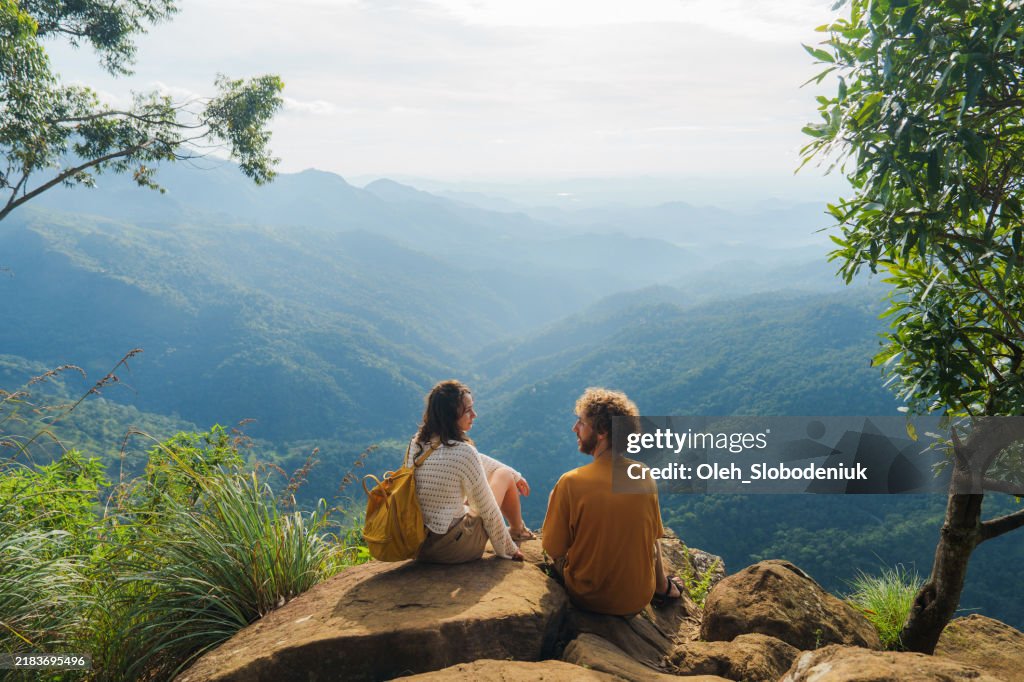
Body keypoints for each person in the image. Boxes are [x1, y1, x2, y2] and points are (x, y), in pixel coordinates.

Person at [542, 387, 684, 615]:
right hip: (637, 599)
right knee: (650, 533)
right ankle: (662, 586)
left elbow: (553, 548)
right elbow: (653, 538)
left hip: (588, 598)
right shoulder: (643, 473)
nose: (574, 428)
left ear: (602, 432)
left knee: (558, 501)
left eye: (581, 423)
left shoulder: (570, 482)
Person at [411, 379, 533, 563]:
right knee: (503, 476)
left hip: (419, 545)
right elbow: (488, 508)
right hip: (451, 549)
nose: (474, 415)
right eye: (468, 410)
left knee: (500, 475)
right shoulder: (462, 452)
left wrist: (515, 473)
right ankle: (517, 530)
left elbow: (475, 460)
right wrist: (508, 549)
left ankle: (517, 528)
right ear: (450, 415)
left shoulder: (417, 444)